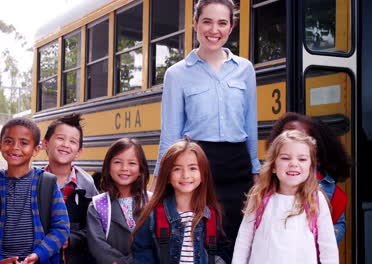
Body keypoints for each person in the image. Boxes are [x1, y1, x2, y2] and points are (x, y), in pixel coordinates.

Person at [154, 0, 260, 243]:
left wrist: (255, 171)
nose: (215, 30)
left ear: (231, 28)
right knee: (200, 238)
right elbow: (170, 135)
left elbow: (250, 124)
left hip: (237, 165)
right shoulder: (177, 74)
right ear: (195, 24)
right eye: (207, 22)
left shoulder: (245, 69)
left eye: (222, 23)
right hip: (196, 164)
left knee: (239, 239)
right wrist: (160, 182)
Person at [0, 118, 70, 264]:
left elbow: (61, 228)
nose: (15, 147)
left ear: (36, 149)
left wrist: (39, 255)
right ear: (0, 145)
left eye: (23, 143)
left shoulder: (47, 184)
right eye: (8, 141)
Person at [232, 130, 339, 264]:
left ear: (311, 166)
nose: (294, 163)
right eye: (285, 158)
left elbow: (328, 248)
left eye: (302, 159)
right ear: (273, 166)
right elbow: (244, 241)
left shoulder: (316, 199)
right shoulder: (259, 196)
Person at [132, 139, 230, 263]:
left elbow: (220, 252)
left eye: (193, 168)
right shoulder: (154, 215)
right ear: (167, 176)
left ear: (203, 175)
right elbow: (141, 250)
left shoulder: (212, 216)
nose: (185, 175)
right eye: (177, 169)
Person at [265, 112, 351, 243]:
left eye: (299, 137)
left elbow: (338, 225)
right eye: (286, 136)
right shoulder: (267, 180)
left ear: (314, 146)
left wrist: (317, 248)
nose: (291, 141)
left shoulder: (327, 187)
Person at [42, 113, 98, 263]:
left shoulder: (87, 185)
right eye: (60, 138)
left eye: (73, 141)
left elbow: (95, 229)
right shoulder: (35, 182)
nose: (66, 144)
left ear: (79, 151)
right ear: (45, 143)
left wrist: (71, 239)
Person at [86, 138, 150, 264]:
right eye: (117, 162)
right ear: (108, 167)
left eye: (132, 163)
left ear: (141, 170)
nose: (124, 168)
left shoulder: (151, 201)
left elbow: (154, 240)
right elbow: (97, 245)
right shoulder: (98, 205)